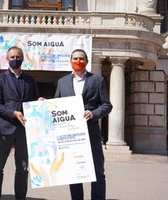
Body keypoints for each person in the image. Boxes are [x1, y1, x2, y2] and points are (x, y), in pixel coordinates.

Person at [54, 49, 113, 200]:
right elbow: (56, 106)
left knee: (97, 171)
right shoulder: (62, 82)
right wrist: (44, 104)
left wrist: (93, 114)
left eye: (81, 58)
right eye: (75, 58)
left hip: (91, 132)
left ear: (86, 61)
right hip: (70, 135)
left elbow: (107, 105)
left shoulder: (97, 80)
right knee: (74, 173)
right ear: (70, 61)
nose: (78, 61)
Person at [0, 46, 40, 200]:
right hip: (5, 128)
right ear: (7, 59)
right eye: (12, 57)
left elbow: (34, 101)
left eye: (18, 57)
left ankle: (20, 198)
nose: (15, 59)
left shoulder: (30, 80)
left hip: (24, 130)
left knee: (23, 168)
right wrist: (13, 113)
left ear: (22, 59)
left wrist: (40, 101)